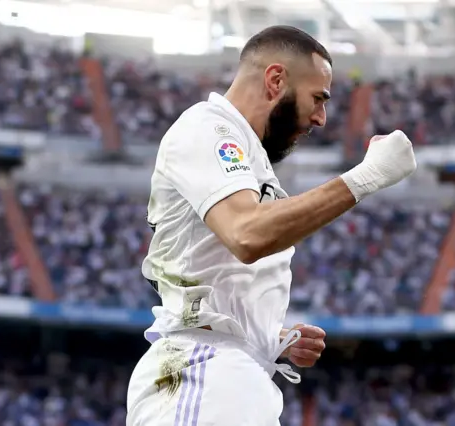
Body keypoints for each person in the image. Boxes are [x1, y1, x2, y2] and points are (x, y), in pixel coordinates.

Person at [126, 25, 417, 426]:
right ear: (276, 80)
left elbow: (207, 265)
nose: (321, 117)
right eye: (318, 98)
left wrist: (267, 336)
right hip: (201, 371)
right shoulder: (209, 127)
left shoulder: (251, 160)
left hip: (231, 372)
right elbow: (247, 234)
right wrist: (367, 177)